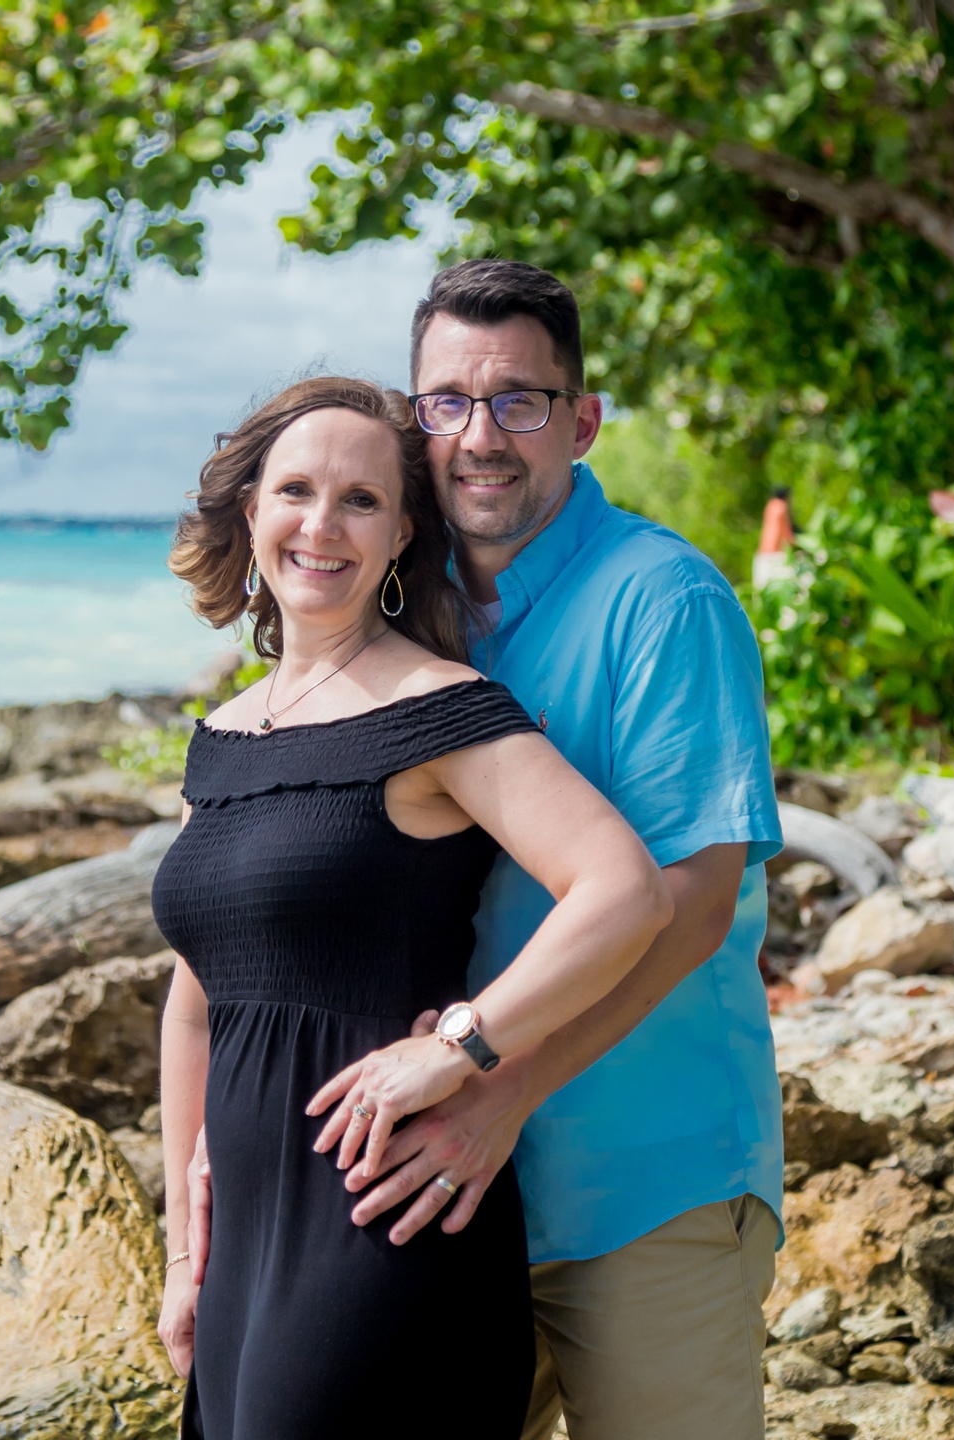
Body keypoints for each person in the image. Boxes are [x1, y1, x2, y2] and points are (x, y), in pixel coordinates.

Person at [182, 262, 785, 1440]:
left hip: (636, 1183)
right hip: (427, 1201)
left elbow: (693, 901)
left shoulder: (663, 599)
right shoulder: (402, 613)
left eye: (519, 400)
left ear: (583, 420)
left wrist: (500, 1084)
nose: (479, 436)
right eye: (447, 403)